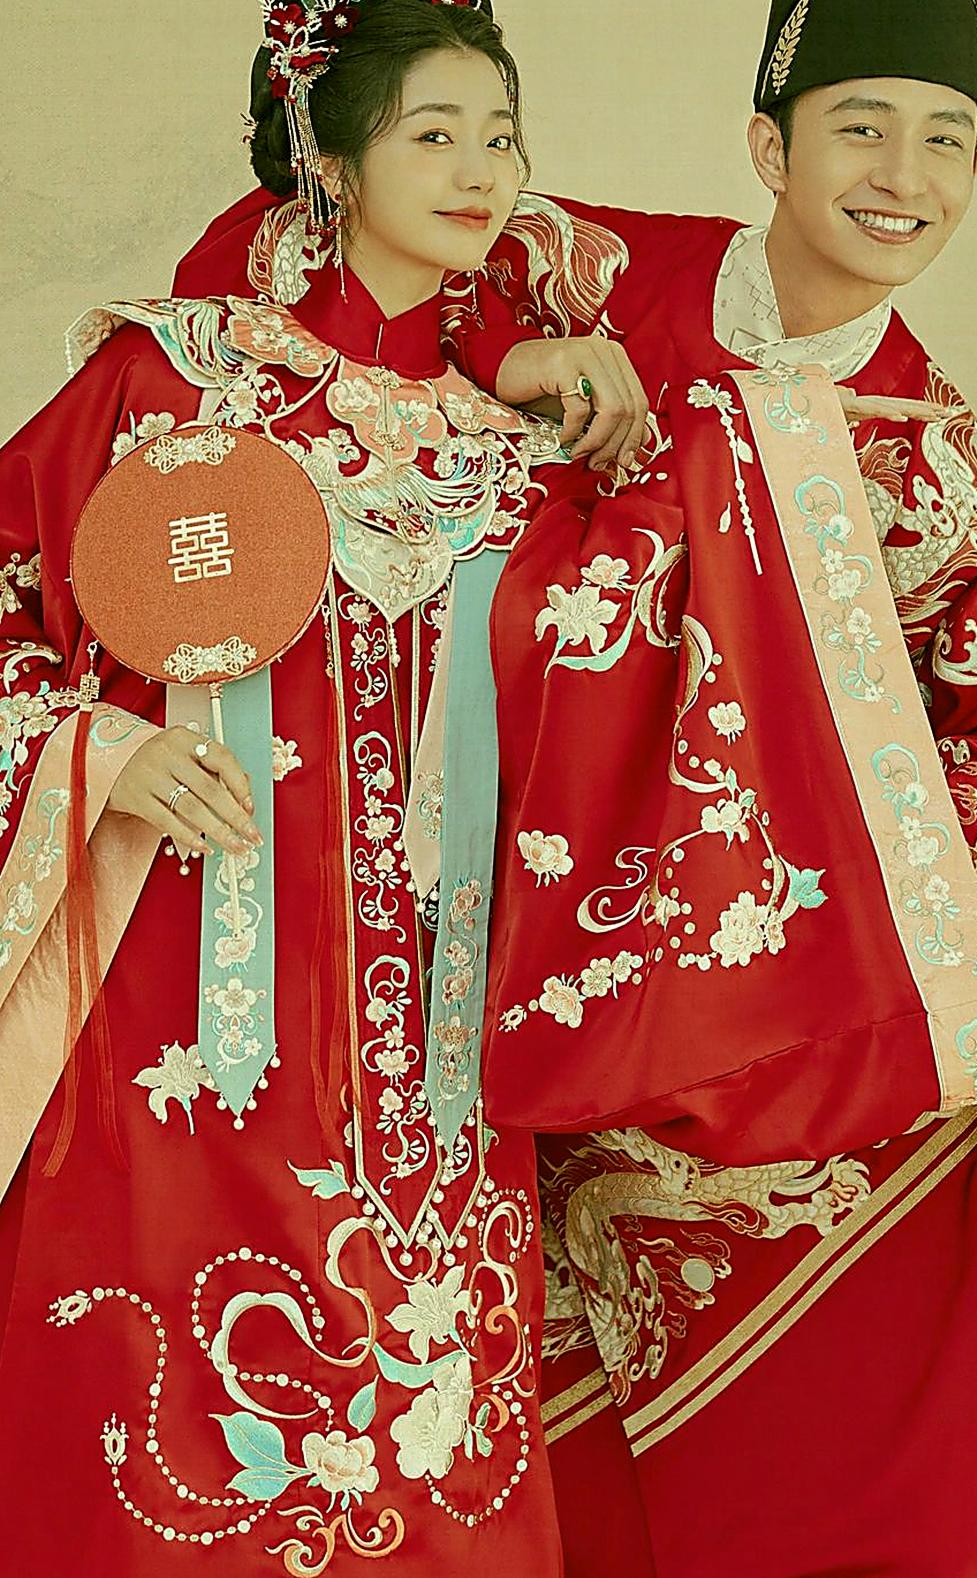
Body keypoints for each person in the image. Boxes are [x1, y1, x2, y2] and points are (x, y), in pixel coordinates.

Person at [415, 3, 977, 1575]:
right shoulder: (596, 273)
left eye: (947, 140)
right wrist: (523, 354)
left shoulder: (941, 459)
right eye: (861, 128)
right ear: (770, 148)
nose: (904, 176)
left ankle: (962, 1526)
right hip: (531, 910)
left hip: (768, 952)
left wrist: (852, 846)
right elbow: (374, 279)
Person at [0, 1, 651, 1570]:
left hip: (443, 1062)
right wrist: (103, 753)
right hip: (193, 1021)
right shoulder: (179, 384)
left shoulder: (530, 439)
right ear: (332, 163)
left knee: (436, 1434)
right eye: (434, 135)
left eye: (501, 138)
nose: (480, 171)